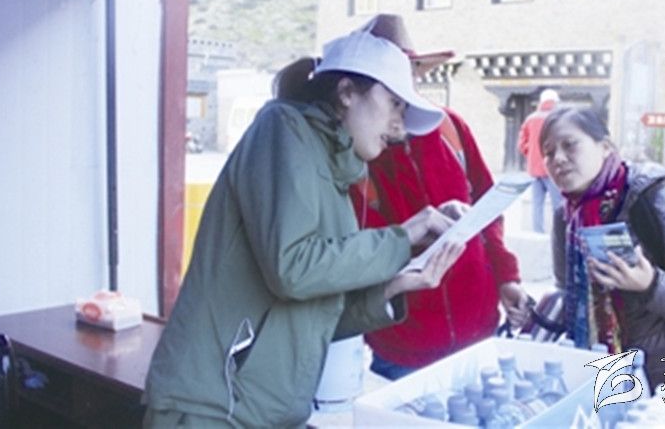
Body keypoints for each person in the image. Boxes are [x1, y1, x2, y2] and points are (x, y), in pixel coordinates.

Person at [143, 28, 468, 427]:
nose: (400, 128)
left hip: (259, 411)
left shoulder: (336, 179)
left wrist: (393, 287)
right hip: (211, 407)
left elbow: (312, 316)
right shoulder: (282, 128)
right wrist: (406, 234)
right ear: (347, 92)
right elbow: (292, 269)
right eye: (395, 104)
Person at [349, 13, 529, 380]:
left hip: (479, 333)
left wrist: (506, 278)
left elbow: (489, 211)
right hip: (402, 348)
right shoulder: (355, 152)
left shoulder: (450, 127)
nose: (406, 84)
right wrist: (414, 237)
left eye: (411, 71)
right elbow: (354, 253)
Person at [544, 107, 665, 390]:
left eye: (570, 145)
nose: (558, 158)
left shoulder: (653, 197)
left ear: (605, 147)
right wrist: (534, 314)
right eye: (548, 153)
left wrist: (651, 284)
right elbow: (567, 293)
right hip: (605, 375)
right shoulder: (565, 217)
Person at [518, 88, 563, 233]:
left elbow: (521, 144)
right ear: (554, 102)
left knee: (537, 204)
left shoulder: (530, 119)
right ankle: (558, 233)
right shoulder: (558, 118)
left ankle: (537, 232)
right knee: (558, 204)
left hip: (534, 169)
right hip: (552, 168)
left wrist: (531, 153)